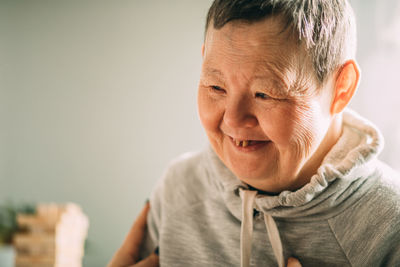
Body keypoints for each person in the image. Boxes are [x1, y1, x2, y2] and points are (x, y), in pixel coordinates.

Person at [109, 0, 400, 266]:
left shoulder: (389, 222)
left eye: (265, 94)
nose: (233, 119)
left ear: (341, 88)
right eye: (215, 86)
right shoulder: (179, 188)